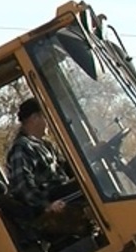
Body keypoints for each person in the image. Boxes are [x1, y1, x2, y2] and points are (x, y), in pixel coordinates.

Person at [6, 98, 88, 243]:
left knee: (93, 179)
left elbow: (66, 169)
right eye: (46, 116)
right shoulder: (23, 148)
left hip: (61, 191)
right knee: (90, 186)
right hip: (53, 199)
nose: (49, 121)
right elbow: (22, 186)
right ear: (34, 118)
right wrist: (46, 206)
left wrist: (90, 156)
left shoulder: (46, 145)